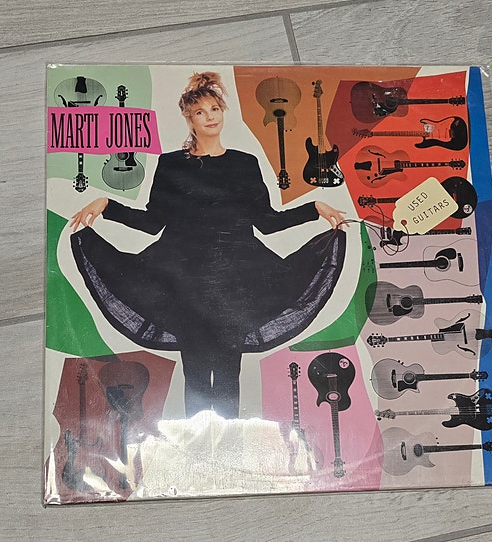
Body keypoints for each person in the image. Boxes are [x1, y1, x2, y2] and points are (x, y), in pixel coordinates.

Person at [69, 71, 347, 419]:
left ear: (223, 111)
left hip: (236, 285)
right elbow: (152, 222)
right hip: (186, 285)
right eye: (200, 112)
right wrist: (107, 205)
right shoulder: (171, 164)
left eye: (215, 109)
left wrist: (314, 208)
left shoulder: (245, 163)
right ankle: (198, 446)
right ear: (189, 119)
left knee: (229, 375)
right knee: (196, 375)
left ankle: (230, 445)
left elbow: (267, 222)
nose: (210, 117)